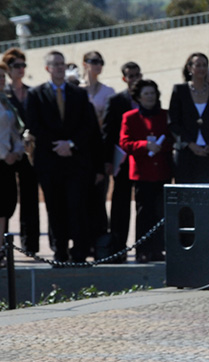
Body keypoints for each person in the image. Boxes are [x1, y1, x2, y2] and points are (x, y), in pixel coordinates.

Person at [25, 50, 103, 264]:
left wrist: (70, 144)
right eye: (55, 64)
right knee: (55, 208)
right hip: (49, 162)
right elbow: (34, 124)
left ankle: (79, 253)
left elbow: (87, 125)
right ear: (47, 68)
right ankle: (60, 252)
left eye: (62, 64)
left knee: (77, 206)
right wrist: (57, 145)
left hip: (75, 161)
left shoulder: (78, 93)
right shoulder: (36, 94)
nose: (59, 67)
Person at [120, 78, 172, 263]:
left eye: (153, 93)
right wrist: (145, 145)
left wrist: (161, 146)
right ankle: (142, 250)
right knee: (144, 213)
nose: (150, 97)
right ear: (139, 98)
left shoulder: (165, 115)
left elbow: (173, 137)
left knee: (161, 212)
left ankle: (158, 249)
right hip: (142, 172)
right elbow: (124, 143)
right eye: (146, 94)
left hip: (162, 172)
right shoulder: (130, 117)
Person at [168, 52, 209, 184]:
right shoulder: (180, 91)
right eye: (198, 65)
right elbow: (173, 122)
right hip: (187, 155)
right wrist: (190, 144)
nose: (202, 69)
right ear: (190, 68)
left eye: (204, 65)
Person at [2, 47, 39, 256]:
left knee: (30, 198)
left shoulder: (32, 92)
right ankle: (4, 244)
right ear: (8, 69)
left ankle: (30, 245)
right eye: (16, 65)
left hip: (28, 152)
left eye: (23, 65)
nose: (21, 69)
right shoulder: (3, 94)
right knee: (6, 199)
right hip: (7, 154)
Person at [102, 61, 142, 261]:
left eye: (137, 75)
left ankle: (144, 248)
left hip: (143, 161)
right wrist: (108, 161)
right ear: (124, 78)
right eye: (130, 76)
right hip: (122, 162)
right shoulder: (116, 100)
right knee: (120, 206)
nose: (135, 79)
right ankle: (118, 248)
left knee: (144, 205)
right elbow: (108, 133)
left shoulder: (148, 97)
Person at [81, 50, 115, 255]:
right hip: (81, 151)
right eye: (94, 62)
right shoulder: (76, 90)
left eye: (100, 62)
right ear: (84, 64)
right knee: (80, 198)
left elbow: (109, 124)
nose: (98, 65)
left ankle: (100, 242)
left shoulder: (108, 91)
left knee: (99, 197)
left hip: (100, 150)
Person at [0, 62, 24, 254]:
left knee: (7, 205)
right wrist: (4, 154)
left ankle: (2, 247)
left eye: (2, 77)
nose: (1, 80)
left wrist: (17, 150)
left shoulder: (5, 101)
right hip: (1, 158)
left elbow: (14, 131)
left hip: (7, 162)